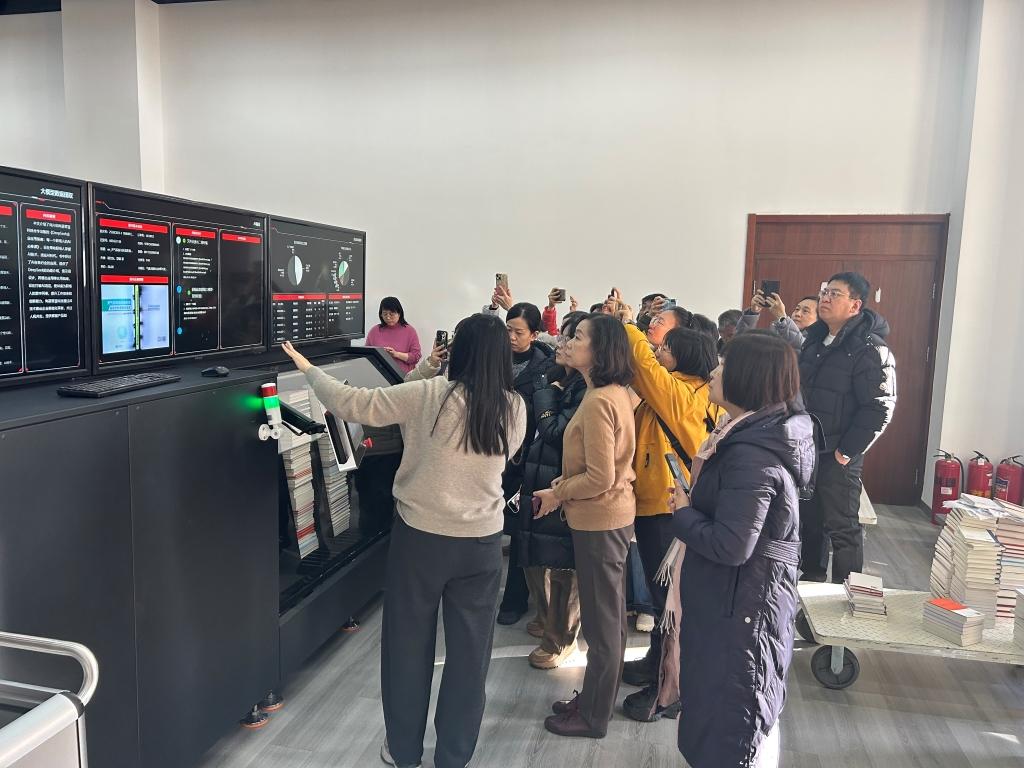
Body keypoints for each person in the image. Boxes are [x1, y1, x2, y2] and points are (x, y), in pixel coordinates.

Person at [280, 313, 526, 768]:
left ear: (459, 351)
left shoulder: (428, 394)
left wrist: (307, 367)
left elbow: (355, 403)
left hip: (421, 541)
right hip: (482, 544)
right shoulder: (514, 406)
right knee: (470, 657)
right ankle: (454, 756)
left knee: (407, 649)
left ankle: (405, 751)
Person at [666, 331, 814, 768]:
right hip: (734, 602)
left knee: (732, 725)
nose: (714, 371)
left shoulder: (752, 455)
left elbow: (731, 545)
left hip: (741, 610)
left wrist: (683, 513)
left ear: (747, 378)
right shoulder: (744, 437)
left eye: (724, 365)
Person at [533, 314, 636, 739]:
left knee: (602, 625)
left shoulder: (598, 401)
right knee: (606, 619)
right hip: (605, 517)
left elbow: (600, 478)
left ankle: (594, 716)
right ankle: (595, 700)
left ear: (600, 351)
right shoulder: (608, 393)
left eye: (578, 337)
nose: (568, 342)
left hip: (601, 519)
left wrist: (558, 492)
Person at [620, 318, 722, 723]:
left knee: (668, 601)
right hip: (663, 503)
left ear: (684, 356)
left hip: (666, 507)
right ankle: (656, 662)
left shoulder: (682, 393)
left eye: (666, 348)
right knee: (664, 595)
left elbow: (642, 365)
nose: (658, 352)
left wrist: (627, 323)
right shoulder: (691, 392)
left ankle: (669, 688)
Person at [798, 272, 895, 584]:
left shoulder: (870, 349)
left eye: (835, 294)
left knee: (843, 529)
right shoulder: (813, 341)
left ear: (855, 305)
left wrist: (846, 452)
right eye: (824, 292)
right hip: (807, 450)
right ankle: (810, 588)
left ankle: (846, 596)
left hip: (839, 454)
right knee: (810, 524)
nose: (825, 298)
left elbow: (880, 407)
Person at [519, 311, 588, 669]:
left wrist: (545, 395)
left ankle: (561, 640)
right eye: (562, 336)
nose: (562, 344)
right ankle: (548, 621)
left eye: (572, 338)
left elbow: (554, 433)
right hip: (541, 475)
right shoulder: (561, 377)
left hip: (563, 481)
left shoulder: (587, 390)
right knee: (537, 554)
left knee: (563, 565)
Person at [497, 301, 555, 625]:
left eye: (519, 332)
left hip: (526, 459)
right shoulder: (493, 359)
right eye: (508, 330)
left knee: (521, 530)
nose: (512, 337)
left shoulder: (546, 367)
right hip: (492, 453)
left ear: (534, 334)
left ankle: (515, 599)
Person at [736, 291, 818, 349]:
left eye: (805, 311)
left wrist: (782, 317)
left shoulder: (818, 341)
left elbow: (801, 345)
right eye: (797, 309)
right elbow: (741, 342)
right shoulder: (776, 330)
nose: (798, 314)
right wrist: (753, 312)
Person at [366, 296, 422, 374]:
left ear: (399, 313)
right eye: (385, 314)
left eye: (391, 314)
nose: (388, 317)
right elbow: (366, 354)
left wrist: (396, 354)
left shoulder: (409, 331)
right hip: (378, 375)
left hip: (403, 376)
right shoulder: (375, 331)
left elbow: (416, 357)